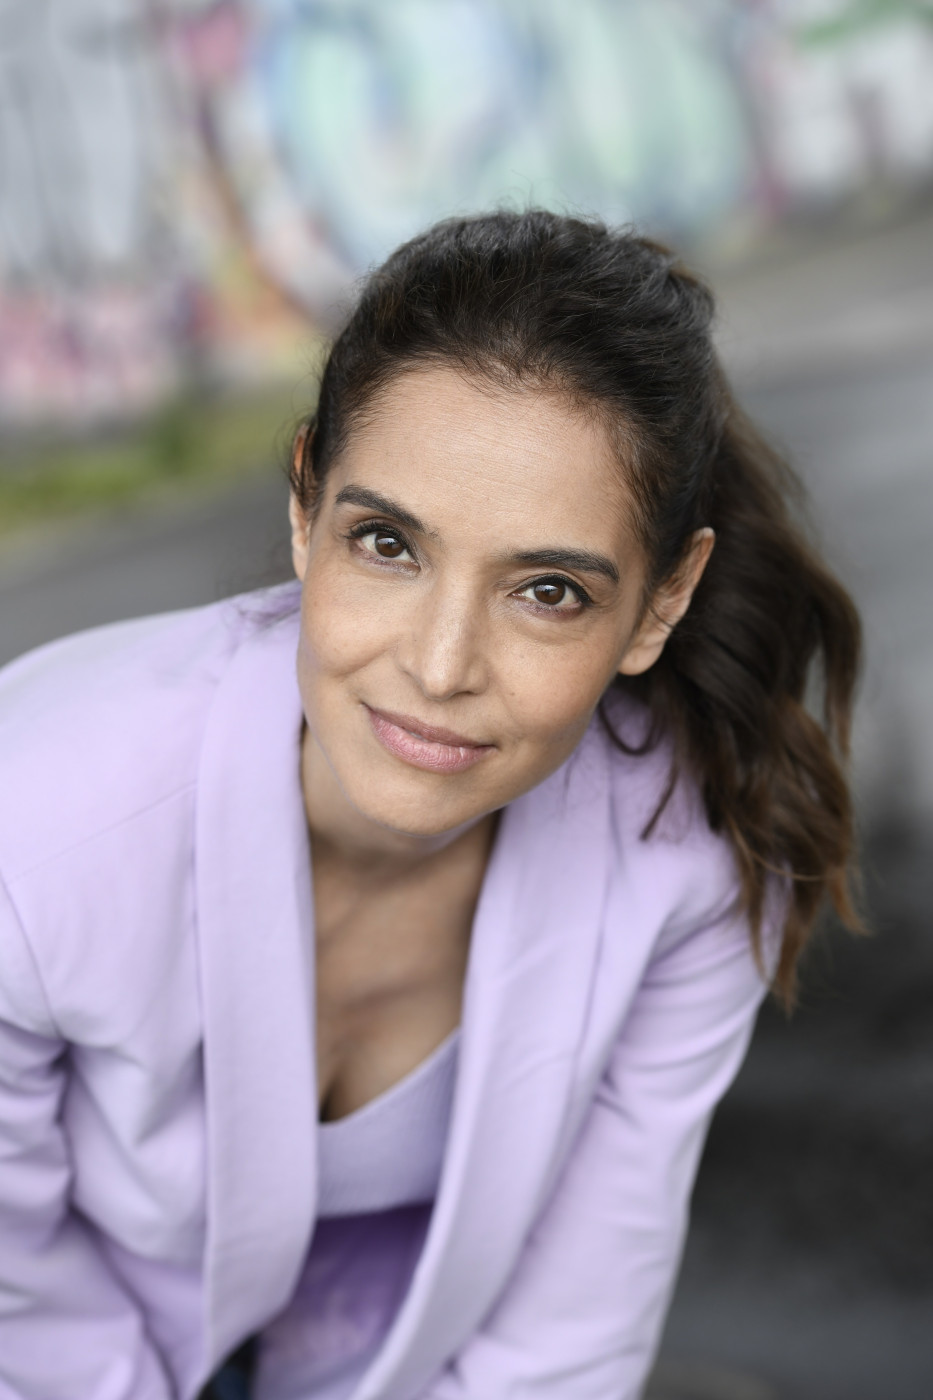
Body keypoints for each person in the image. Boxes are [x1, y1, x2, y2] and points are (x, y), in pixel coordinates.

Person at [0, 211, 861, 1400]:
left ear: (662, 603)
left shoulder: (687, 857)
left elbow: (570, 1328)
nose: (442, 664)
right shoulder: (38, 818)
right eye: (387, 543)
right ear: (305, 504)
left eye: (548, 590)